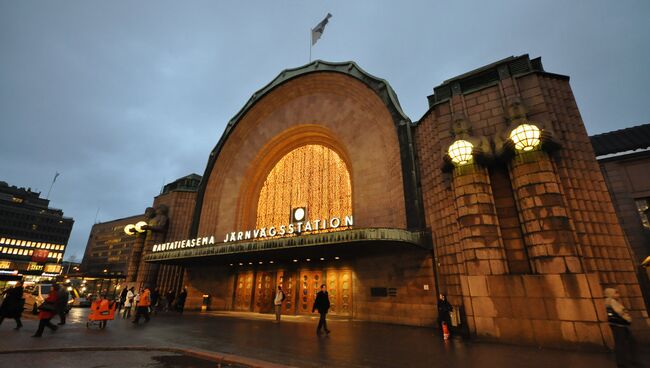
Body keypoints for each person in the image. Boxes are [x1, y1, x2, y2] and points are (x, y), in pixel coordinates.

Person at [604, 288, 639, 367]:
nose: (618, 295)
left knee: (623, 342)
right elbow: (620, 312)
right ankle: (623, 362)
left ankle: (624, 361)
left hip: (616, 324)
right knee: (622, 343)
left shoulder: (608, 301)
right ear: (611, 294)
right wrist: (627, 317)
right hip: (619, 325)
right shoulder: (612, 301)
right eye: (616, 293)